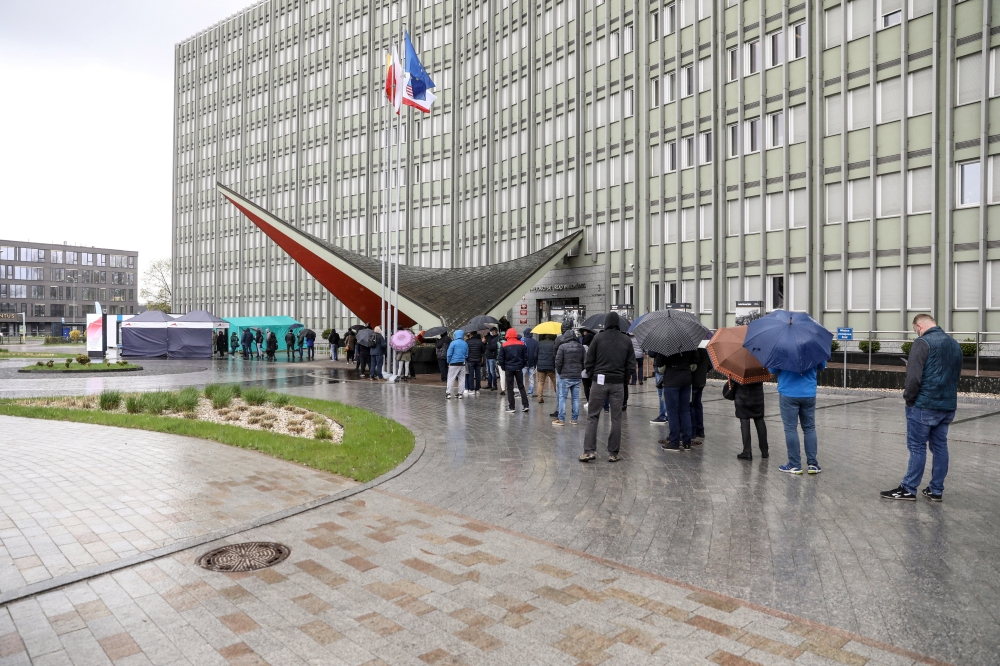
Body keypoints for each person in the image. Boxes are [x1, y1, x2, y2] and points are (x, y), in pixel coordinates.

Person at [881, 314, 963, 502]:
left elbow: (914, 379)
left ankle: (908, 488)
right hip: (947, 405)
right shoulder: (954, 344)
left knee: (917, 447)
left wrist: (909, 399)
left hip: (924, 405)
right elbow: (954, 374)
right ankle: (936, 490)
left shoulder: (922, 342)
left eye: (915, 329)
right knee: (940, 447)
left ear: (919, 326)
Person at [580, 312, 635, 463]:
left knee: (593, 416)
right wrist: (623, 381)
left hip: (599, 381)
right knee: (616, 418)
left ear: (605, 323)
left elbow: (588, 361)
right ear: (618, 323)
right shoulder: (626, 339)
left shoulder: (598, 337)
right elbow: (631, 365)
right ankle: (613, 453)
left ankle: (589, 451)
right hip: (617, 383)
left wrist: (593, 377)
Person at [771, 358, 826, 475]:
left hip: (788, 393)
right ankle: (813, 464)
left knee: (790, 428)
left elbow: (772, 369)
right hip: (809, 393)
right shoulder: (813, 346)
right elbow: (821, 366)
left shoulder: (782, 347)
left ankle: (795, 464)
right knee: (809, 428)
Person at [655, 349, 699, 452]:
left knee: (672, 413)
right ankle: (687, 442)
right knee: (685, 411)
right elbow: (696, 359)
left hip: (672, 380)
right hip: (686, 379)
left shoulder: (666, 343)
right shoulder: (689, 342)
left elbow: (659, 362)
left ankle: (674, 442)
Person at [724, 379, 768, 460]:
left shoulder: (739, 367)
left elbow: (734, 381)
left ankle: (747, 452)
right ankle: (764, 451)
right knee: (759, 419)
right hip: (757, 396)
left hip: (742, 397)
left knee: (744, 421)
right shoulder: (760, 366)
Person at [553, 331, 585, 426]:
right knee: (575, 398)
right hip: (577, 376)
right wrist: (579, 370)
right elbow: (585, 362)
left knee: (562, 397)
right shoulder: (581, 347)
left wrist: (560, 372)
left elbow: (558, 362)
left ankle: (561, 419)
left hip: (565, 376)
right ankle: (574, 419)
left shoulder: (562, 347)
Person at [498, 327, 529, 412]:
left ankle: (512, 407)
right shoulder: (522, 344)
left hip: (508, 368)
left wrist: (504, 367)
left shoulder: (504, 345)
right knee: (521, 386)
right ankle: (525, 405)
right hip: (518, 367)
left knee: (510, 388)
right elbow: (525, 357)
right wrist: (522, 365)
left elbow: (501, 358)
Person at [690, 346, 710, 443]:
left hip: (693, 380)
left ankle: (693, 431)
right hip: (701, 380)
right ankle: (700, 430)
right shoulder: (706, 348)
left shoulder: (693, 347)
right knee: (698, 404)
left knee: (691, 405)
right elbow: (710, 364)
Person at [445, 329, 469, 398]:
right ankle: (460, 394)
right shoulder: (465, 343)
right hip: (462, 363)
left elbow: (449, 354)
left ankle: (448, 393)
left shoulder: (453, 343)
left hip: (453, 363)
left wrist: (449, 361)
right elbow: (467, 354)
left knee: (451, 379)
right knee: (462, 379)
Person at [535, 334, 557, 403]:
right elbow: (555, 355)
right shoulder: (554, 344)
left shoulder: (540, 343)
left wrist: (537, 363)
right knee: (555, 382)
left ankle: (540, 398)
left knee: (541, 382)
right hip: (551, 367)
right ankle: (559, 396)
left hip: (541, 366)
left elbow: (535, 354)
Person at [465, 330, 484, 395]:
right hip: (478, 360)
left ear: (471, 334)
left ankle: (471, 389)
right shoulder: (480, 341)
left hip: (470, 360)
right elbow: (483, 351)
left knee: (471, 375)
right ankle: (477, 389)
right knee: (478, 375)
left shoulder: (467, 341)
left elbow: (466, 351)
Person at [522, 328, 539, 397]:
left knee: (522, 378)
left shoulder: (522, 341)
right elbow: (536, 353)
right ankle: (530, 393)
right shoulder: (536, 342)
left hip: (523, 363)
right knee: (531, 378)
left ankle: (522, 393)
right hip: (532, 363)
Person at [580, 328, 595, 403]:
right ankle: (594, 400)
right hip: (593, 370)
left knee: (586, 386)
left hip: (584, 370)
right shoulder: (594, 346)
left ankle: (589, 401)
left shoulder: (583, 347)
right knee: (593, 386)